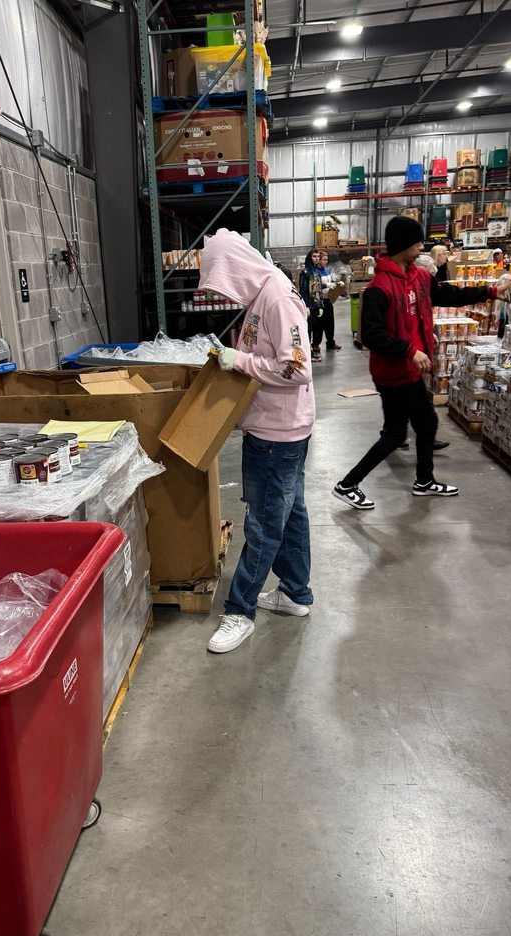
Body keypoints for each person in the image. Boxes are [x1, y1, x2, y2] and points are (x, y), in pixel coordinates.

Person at [332, 216, 510, 510]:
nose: (421, 247)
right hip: (392, 373)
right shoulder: (379, 287)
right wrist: (409, 350)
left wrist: (491, 292)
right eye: (417, 242)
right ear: (403, 244)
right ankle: (348, 484)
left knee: (426, 423)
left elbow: (449, 294)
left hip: (411, 370)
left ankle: (424, 481)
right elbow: (372, 335)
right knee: (395, 434)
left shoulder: (420, 277)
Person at [199, 228, 316, 654]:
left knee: (264, 524)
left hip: (276, 435)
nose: (224, 293)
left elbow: (297, 368)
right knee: (291, 514)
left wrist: (240, 360)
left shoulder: (277, 298)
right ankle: (296, 593)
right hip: (275, 427)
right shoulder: (261, 295)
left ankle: (240, 610)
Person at [299, 248, 325, 361]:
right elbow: (303, 290)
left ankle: (311, 350)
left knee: (315, 328)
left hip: (316, 304)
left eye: (318, 257)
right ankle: (307, 352)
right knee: (307, 330)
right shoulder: (305, 272)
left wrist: (320, 305)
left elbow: (318, 289)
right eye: (314, 256)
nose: (316, 259)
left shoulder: (317, 271)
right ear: (310, 257)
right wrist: (306, 305)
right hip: (309, 305)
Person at [319, 250, 341, 351]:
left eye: (327, 260)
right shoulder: (316, 272)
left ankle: (330, 341)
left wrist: (337, 284)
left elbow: (330, 282)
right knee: (319, 324)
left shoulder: (327, 270)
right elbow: (315, 285)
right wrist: (326, 285)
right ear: (319, 261)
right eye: (324, 260)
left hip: (328, 299)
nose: (326, 262)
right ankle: (315, 344)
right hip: (320, 300)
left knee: (330, 322)